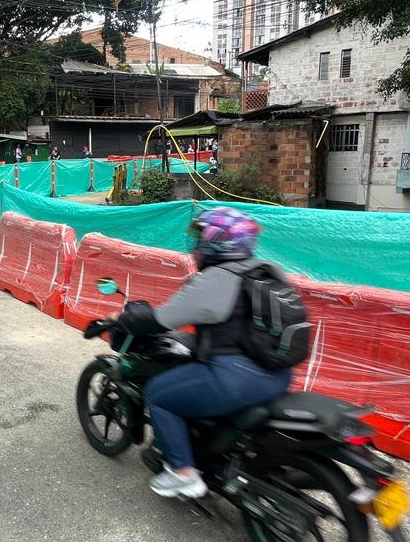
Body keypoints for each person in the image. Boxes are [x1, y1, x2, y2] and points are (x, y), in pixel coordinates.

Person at [112, 207, 290, 498]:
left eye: (200, 238)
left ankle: (183, 474)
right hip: (278, 375)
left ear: (217, 242)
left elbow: (163, 320)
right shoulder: (267, 272)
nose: (196, 246)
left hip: (235, 381)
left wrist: (125, 319)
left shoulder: (216, 279)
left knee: (158, 394)